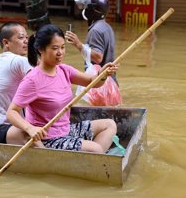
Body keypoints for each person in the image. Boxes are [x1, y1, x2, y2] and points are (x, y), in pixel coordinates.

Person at [7, 24, 118, 153]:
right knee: (96, 149)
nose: (60, 53)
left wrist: (103, 74)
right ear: (41, 49)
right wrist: (30, 129)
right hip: (48, 139)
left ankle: (91, 160)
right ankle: (94, 157)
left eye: (63, 47)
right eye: (55, 48)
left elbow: (93, 82)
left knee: (110, 125)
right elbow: (12, 112)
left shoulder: (64, 70)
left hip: (66, 130)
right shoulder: (32, 80)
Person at [0, 22, 43, 147]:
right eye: (20, 38)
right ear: (6, 43)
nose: (25, 41)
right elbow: (44, 79)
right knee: (30, 135)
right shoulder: (18, 60)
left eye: (27, 38)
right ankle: (49, 158)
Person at [65, 0, 117, 84]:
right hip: (109, 82)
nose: (84, 9)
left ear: (92, 11)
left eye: (86, 7)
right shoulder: (107, 27)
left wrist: (78, 44)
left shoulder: (95, 30)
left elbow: (98, 58)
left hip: (100, 84)